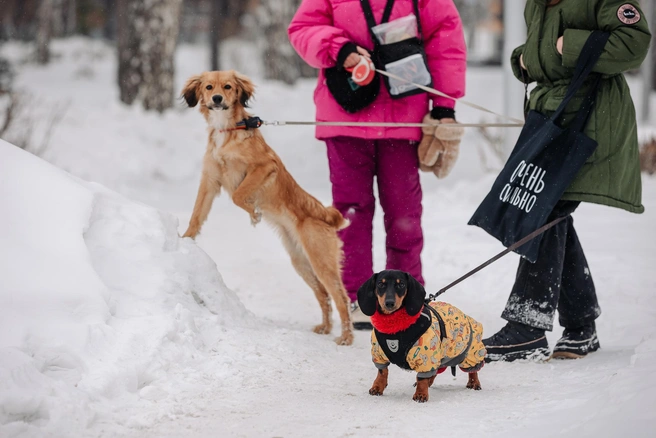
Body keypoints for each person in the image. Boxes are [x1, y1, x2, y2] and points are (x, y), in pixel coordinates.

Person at [483, 0, 651, 361]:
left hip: (590, 117)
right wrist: (525, 59)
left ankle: (527, 327)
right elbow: (543, 52)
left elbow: (633, 45)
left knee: (544, 210)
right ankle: (580, 325)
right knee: (549, 212)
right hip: (552, 115)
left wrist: (567, 45)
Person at [287, 0, 467, 330]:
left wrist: (443, 105)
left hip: (404, 120)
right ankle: (356, 296)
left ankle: (409, 297)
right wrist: (339, 48)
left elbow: (446, 40)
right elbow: (302, 29)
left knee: (404, 212)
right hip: (346, 116)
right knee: (350, 212)